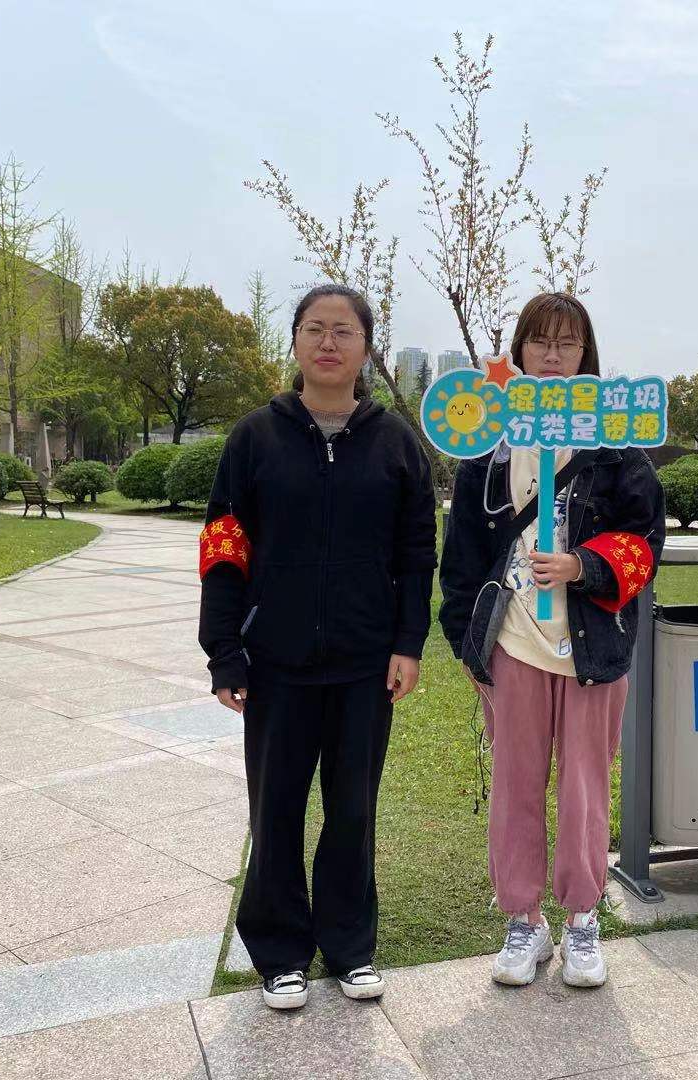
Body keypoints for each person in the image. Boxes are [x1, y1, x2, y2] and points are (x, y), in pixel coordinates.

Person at [198, 283, 437, 1012]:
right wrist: (225, 651)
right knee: (275, 810)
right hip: (276, 662)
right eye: (314, 329)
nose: (328, 343)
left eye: (343, 331)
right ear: (296, 342)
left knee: (353, 810)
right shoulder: (254, 438)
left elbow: (416, 551)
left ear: (366, 348)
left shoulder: (396, 441)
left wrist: (407, 642)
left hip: (365, 662)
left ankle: (350, 946)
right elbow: (223, 548)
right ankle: (279, 954)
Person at [439, 293, 665, 990]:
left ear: (586, 355)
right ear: (520, 350)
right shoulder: (489, 445)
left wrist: (582, 567)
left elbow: (646, 541)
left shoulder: (616, 443)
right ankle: (523, 920)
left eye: (568, 344)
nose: (553, 356)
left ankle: (583, 919)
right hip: (513, 641)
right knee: (516, 782)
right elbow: (462, 556)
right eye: (540, 341)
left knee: (585, 786)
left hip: (593, 646)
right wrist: (467, 645)